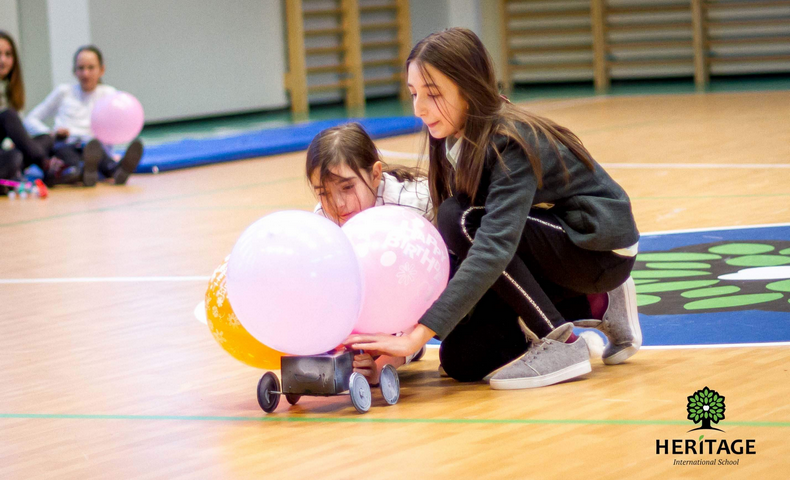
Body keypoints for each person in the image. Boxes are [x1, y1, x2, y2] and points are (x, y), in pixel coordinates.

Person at [346, 28, 641, 390]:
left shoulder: (509, 140)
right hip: (548, 250)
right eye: (413, 93)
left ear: (468, 90)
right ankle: (594, 304)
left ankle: (562, 342)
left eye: (432, 94)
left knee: (460, 218)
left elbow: (493, 247)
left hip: (597, 249)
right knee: (463, 359)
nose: (418, 108)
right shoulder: (449, 132)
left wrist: (417, 336)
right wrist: (404, 340)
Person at [306, 122, 432, 384]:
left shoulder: (417, 204)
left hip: (430, 304)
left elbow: (431, 289)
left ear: (375, 175)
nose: (338, 204)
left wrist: (385, 363)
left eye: (347, 187)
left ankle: (390, 359)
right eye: (324, 193)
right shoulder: (323, 220)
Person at [25, 45, 142, 186]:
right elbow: (30, 119)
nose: (85, 74)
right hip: (66, 143)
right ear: (74, 71)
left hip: (94, 146)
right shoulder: (64, 92)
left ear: (101, 70)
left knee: (95, 150)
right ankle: (84, 171)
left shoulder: (109, 95)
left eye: (91, 68)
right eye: (81, 68)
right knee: (67, 154)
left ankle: (112, 169)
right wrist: (50, 133)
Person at [0, 31, 58, 189]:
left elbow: (15, 131)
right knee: (8, 116)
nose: (3, 60)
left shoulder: (10, 89)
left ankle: (10, 176)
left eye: (8, 54)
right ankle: (44, 164)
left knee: (45, 139)